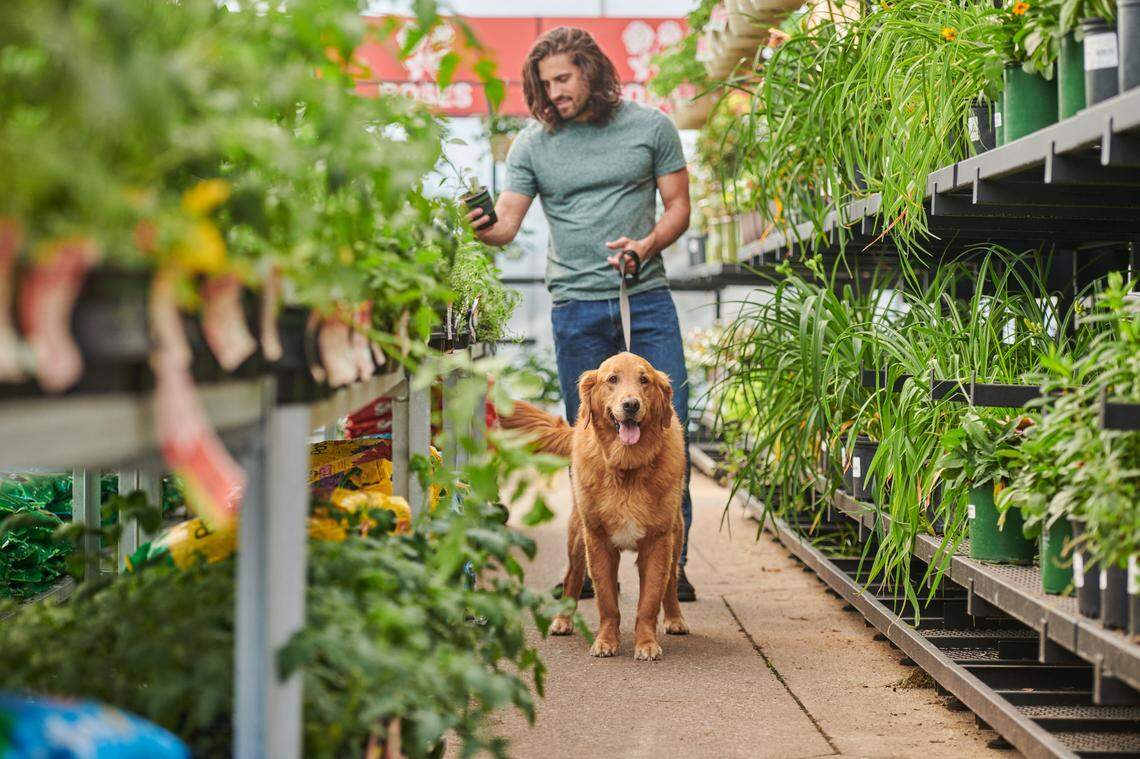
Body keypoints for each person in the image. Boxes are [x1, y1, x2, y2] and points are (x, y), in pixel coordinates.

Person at [466, 26, 696, 602]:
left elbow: (680, 209)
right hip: (573, 304)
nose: (556, 92)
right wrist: (484, 227)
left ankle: (670, 566)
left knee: (669, 429)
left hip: (643, 299)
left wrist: (644, 246)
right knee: (590, 442)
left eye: (564, 78)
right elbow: (508, 225)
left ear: (592, 71)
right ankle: (589, 565)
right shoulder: (532, 145)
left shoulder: (651, 128)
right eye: (545, 84)